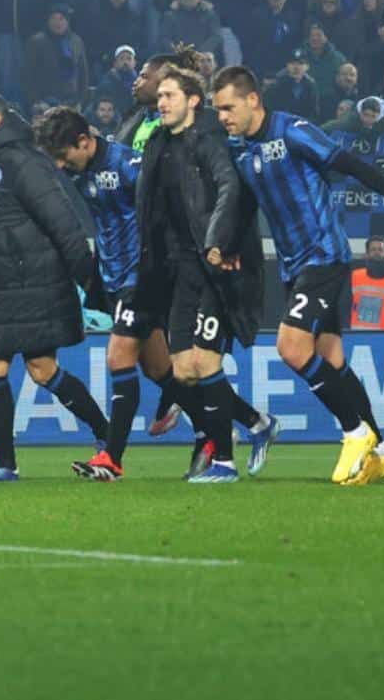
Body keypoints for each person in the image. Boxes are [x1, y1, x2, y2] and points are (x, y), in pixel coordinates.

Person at [209, 65, 384, 485]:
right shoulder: (241, 148)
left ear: (253, 99)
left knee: (291, 347)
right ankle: (382, 452)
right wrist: (230, 245)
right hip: (294, 265)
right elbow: (250, 203)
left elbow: (354, 166)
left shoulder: (293, 131)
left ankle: (355, 433)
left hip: (324, 256)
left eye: (228, 108)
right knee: (332, 359)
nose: (223, 117)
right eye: (218, 110)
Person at [0, 92, 108, 482]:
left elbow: (63, 223)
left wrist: (89, 282)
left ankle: (5, 464)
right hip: (6, 283)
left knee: (1, 365)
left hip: (31, 282)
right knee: (41, 369)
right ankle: (104, 434)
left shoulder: (23, 162)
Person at [35, 102, 187, 482]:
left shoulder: (126, 165)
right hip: (115, 280)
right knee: (158, 369)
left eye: (63, 155)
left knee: (119, 357)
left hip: (142, 277)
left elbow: (169, 208)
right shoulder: (80, 173)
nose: (60, 165)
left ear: (84, 141)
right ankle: (235, 423)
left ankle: (111, 458)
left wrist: (165, 264)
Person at [133, 67, 263, 484]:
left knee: (204, 361)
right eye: (159, 97)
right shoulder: (157, 144)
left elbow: (231, 188)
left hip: (213, 268)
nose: (161, 103)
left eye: (169, 95)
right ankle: (257, 423)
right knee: (183, 371)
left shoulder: (209, 142)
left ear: (193, 101)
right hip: (175, 270)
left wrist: (219, 240)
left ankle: (224, 461)